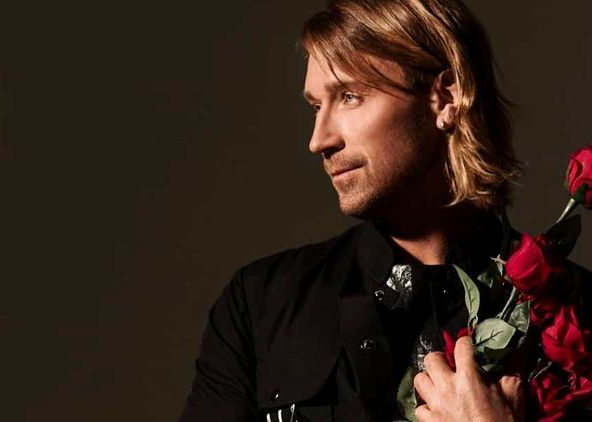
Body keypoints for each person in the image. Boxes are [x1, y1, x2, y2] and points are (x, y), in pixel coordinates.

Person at [179, 1, 527, 420]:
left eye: (349, 97)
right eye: (316, 106)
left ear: (445, 97)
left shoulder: (577, 316)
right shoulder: (260, 303)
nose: (319, 140)